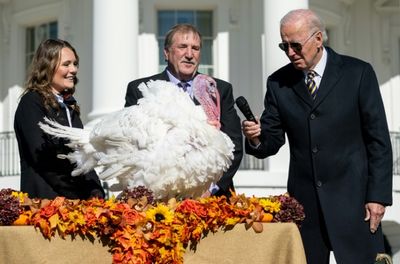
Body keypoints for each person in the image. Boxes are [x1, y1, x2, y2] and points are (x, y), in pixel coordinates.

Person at [242, 9, 393, 264]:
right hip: (305, 208)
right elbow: (271, 140)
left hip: (356, 205)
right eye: (284, 45)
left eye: (296, 45)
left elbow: (378, 141)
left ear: (319, 39)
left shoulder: (358, 73)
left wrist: (377, 196)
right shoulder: (278, 83)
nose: (290, 52)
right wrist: (256, 136)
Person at [125, 24, 243, 198]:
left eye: (195, 48)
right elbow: (131, 144)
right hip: (159, 196)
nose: (189, 54)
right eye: (182, 47)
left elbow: (234, 145)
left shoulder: (218, 89)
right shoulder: (141, 89)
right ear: (166, 53)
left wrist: (211, 189)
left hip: (210, 198)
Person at [14, 39, 105, 200]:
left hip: (76, 205)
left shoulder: (70, 107)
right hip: (45, 204)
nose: (73, 69)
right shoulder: (31, 102)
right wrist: (74, 195)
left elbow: (83, 157)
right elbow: (43, 157)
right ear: (47, 67)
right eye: (66, 64)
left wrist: (96, 192)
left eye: (75, 64)